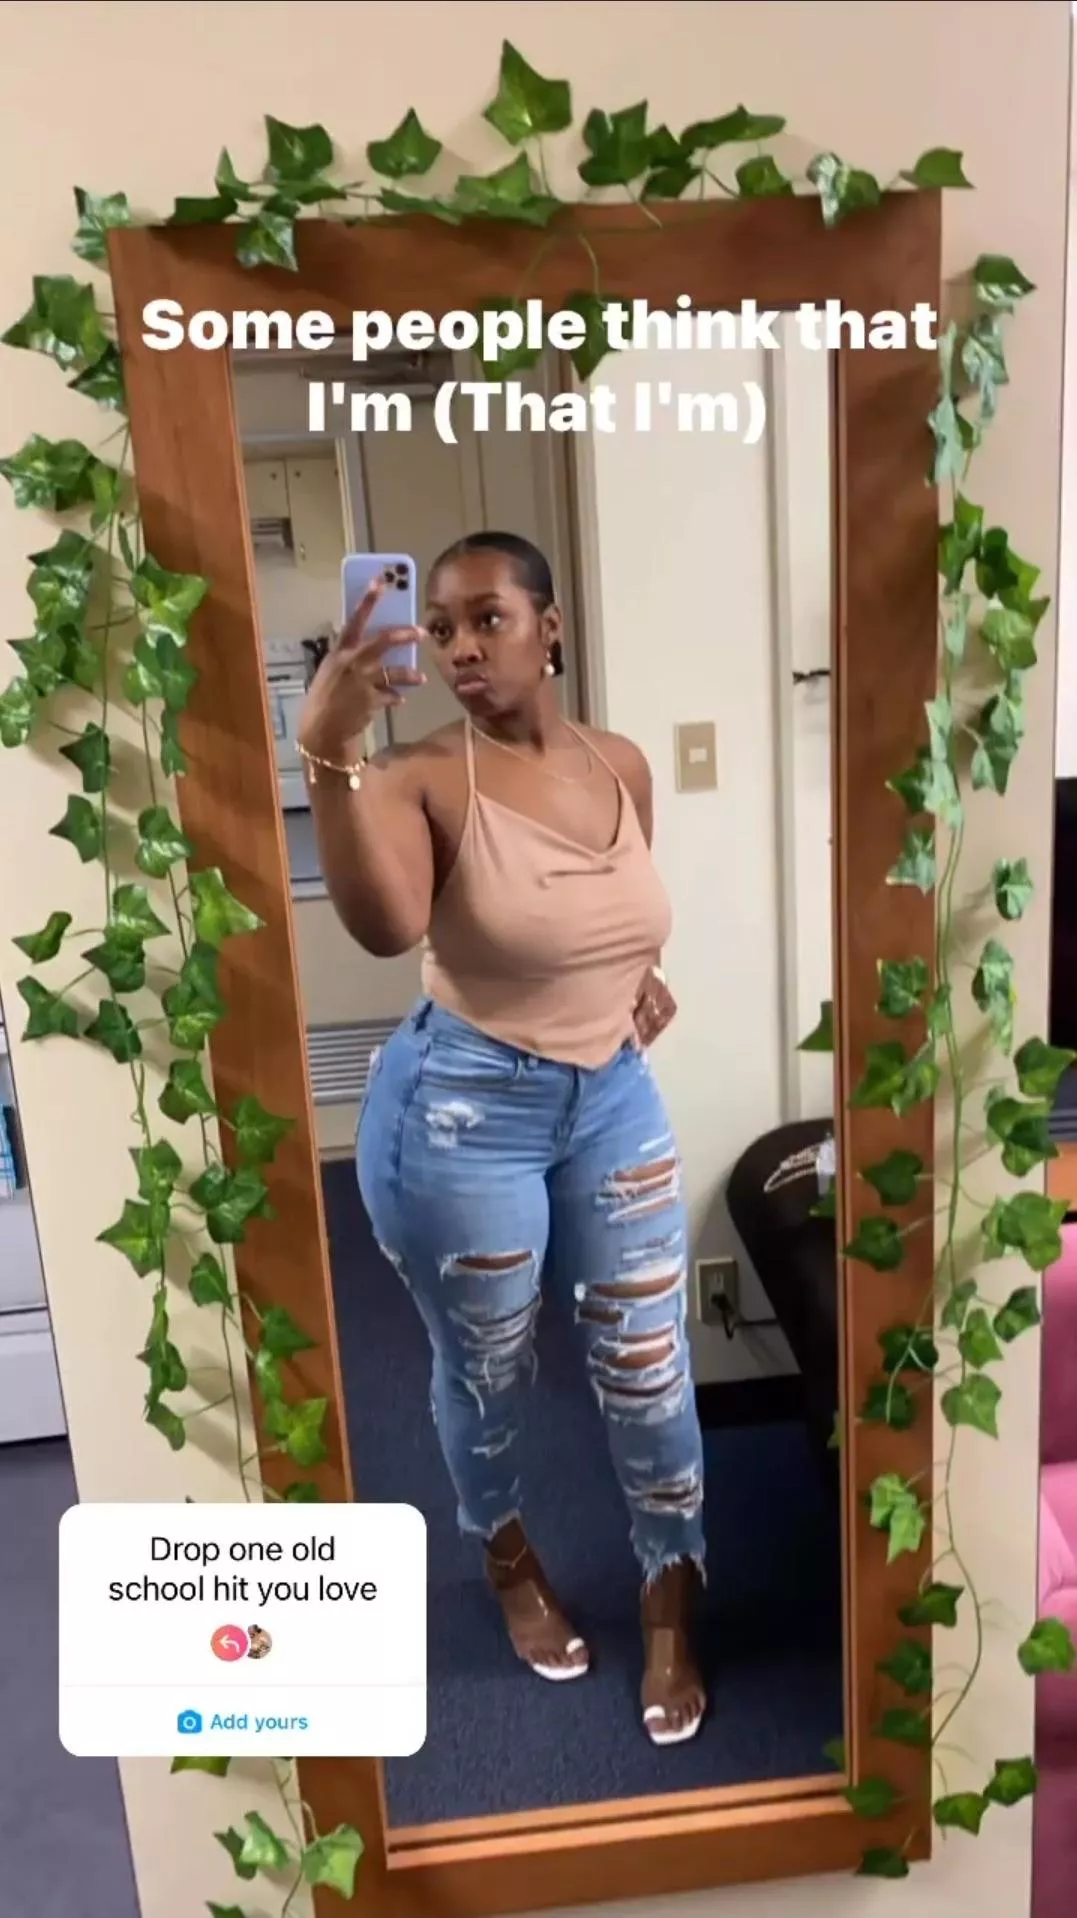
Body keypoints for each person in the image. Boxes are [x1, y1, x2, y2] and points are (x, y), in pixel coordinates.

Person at [297, 529, 707, 1746]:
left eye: (490, 618)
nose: (463, 646)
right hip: (461, 1112)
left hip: (612, 1095)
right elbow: (386, 928)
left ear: (551, 626)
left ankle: (672, 1585)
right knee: (490, 1367)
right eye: (441, 628)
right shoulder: (417, 775)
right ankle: (509, 1557)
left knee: (650, 1360)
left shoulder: (621, 764)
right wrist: (328, 752)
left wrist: (636, 977)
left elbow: (615, 910)